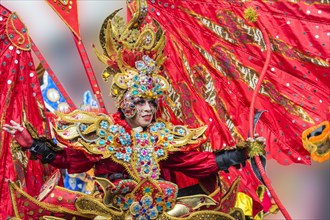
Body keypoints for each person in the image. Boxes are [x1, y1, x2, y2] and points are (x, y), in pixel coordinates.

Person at [3, 5, 266, 220]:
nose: (148, 110)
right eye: (141, 103)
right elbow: (69, 160)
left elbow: (199, 163)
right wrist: (33, 145)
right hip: (113, 212)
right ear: (126, 103)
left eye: (152, 103)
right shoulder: (104, 133)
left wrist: (241, 153)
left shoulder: (162, 136)